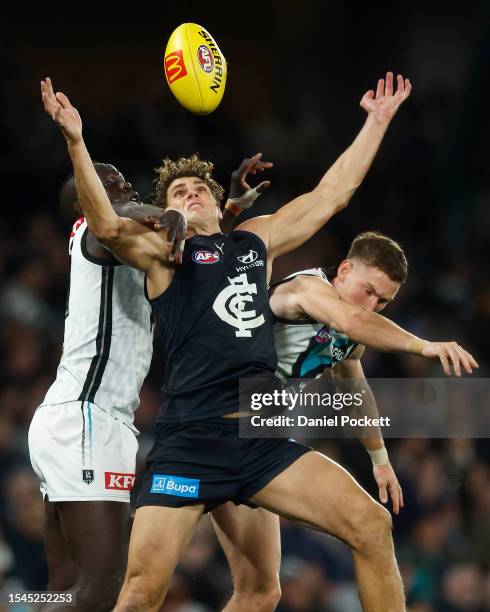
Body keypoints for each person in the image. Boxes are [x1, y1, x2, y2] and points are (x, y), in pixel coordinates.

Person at [42, 72, 416, 612]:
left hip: (259, 440)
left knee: (358, 533)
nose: (190, 193)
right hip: (188, 443)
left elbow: (331, 195)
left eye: (199, 189)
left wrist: (375, 122)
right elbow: (103, 220)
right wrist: (76, 139)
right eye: (177, 192)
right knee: (141, 591)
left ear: (219, 206)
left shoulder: (253, 242)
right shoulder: (163, 257)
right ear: (169, 213)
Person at [28, 152, 271, 612]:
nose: (126, 190)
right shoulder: (93, 231)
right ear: (87, 203)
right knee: (100, 591)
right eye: (112, 185)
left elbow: (189, 247)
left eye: (122, 180)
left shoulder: (134, 247)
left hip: (80, 422)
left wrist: (230, 207)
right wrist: (164, 212)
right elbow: (118, 216)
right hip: (86, 421)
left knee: (64, 586)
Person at [209, 231, 477, 612]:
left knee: (262, 592)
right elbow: (352, 320)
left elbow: (354, 388)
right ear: (345, 269)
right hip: (209, 429)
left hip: (256, 443)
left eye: (383, 300)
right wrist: (424, 345)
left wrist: (380, 459)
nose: (373, 306)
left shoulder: (352, 331)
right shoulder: (305, 289)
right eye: (368, 291)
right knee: (142, 584)